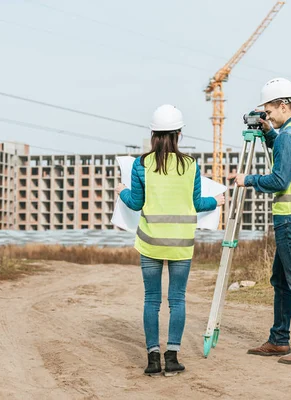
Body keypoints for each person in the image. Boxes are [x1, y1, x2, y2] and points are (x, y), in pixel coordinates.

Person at [115, 104, 225, 376]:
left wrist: (121, 192)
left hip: (150, 242)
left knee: (152, 300)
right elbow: (197, 203)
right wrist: (217, 201)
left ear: (153, 134)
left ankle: (153, 359)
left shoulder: (142, 164)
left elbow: (136, 202)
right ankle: (172, 356)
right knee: (177, 300)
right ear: (178, 134)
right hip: (181, 244)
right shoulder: (190, 165)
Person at [234, 78, 291, 365]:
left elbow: (278, 179)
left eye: (269, 110)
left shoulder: (289, 135)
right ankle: (278, 339)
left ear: (283, 105)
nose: (267, 115)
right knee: (282, 281)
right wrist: (269, 133)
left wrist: (246, 179)